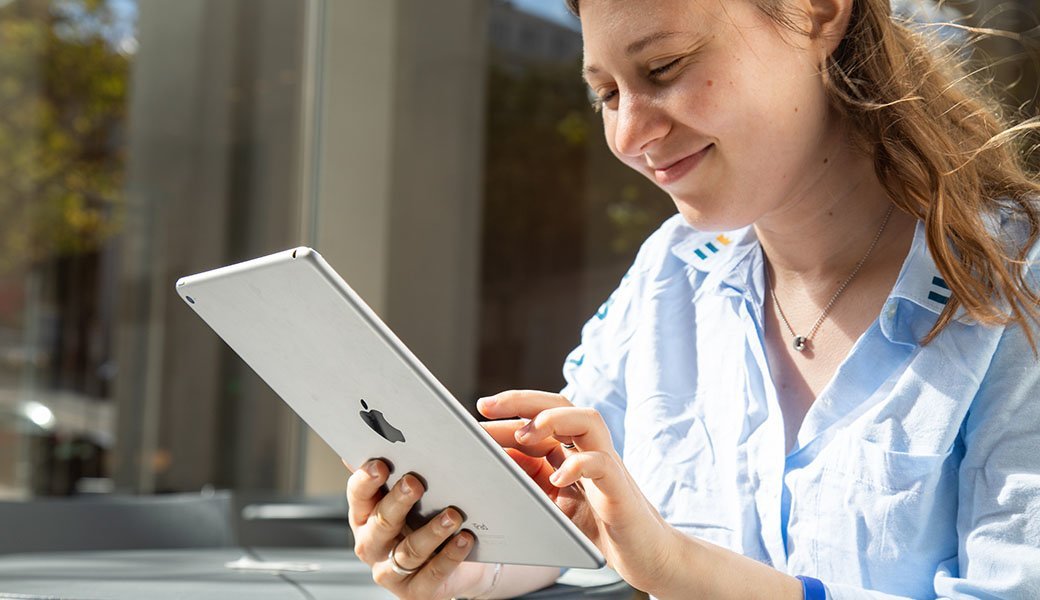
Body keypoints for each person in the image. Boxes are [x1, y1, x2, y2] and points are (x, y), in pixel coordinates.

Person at [346, 0, 1040, 598]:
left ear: (818, 13)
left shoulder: (1021, 280)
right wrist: (456, 553)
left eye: (664, 67)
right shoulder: (672, 273)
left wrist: (685, 573)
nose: (627, 134)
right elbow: (568, 519)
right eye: (608, 95)